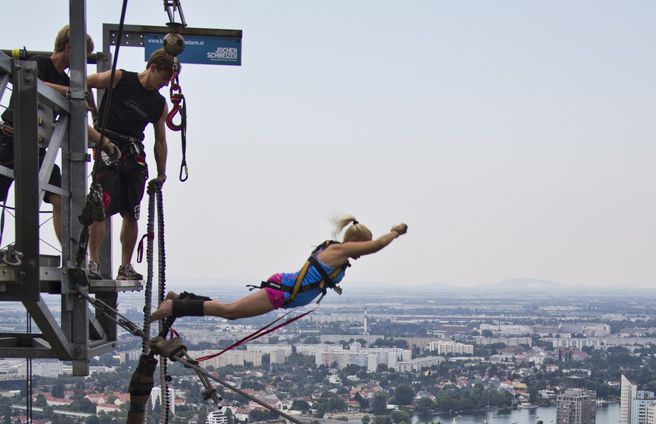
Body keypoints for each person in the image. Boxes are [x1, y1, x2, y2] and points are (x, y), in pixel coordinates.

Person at [149, 216, 408, 323]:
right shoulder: (339, 250)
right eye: (360, 247)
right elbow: (375, 246)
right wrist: (395, 232)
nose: (362, 253)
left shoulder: (338, 254)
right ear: (354, 242)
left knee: (230, 308)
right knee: (231, 312)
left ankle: (180, 299)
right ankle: (175, 308)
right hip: (281, 292)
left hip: (283, 293)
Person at [0, 26, 110, 243]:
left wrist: (105, 142)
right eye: (83, 55)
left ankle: (69, 254)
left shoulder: (68, 82)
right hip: (10, 140)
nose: (84, 61)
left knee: (59, 197)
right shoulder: (40, 63)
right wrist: (70, 93)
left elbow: (79, 124)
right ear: (69, 48)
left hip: (37, 151)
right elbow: (33, 82)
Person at [86, 49, 173, 281]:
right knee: (100, 206)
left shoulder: (159, 103)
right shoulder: (120, 78)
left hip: (133, 154)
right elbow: (84, 84)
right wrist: (94, 116)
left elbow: (161, 140)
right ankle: (93, 262)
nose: (165, 84)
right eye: (164, 78)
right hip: (108, 145)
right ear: (153, 67)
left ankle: (125, 267)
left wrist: (162, 174)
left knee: (131, 212)